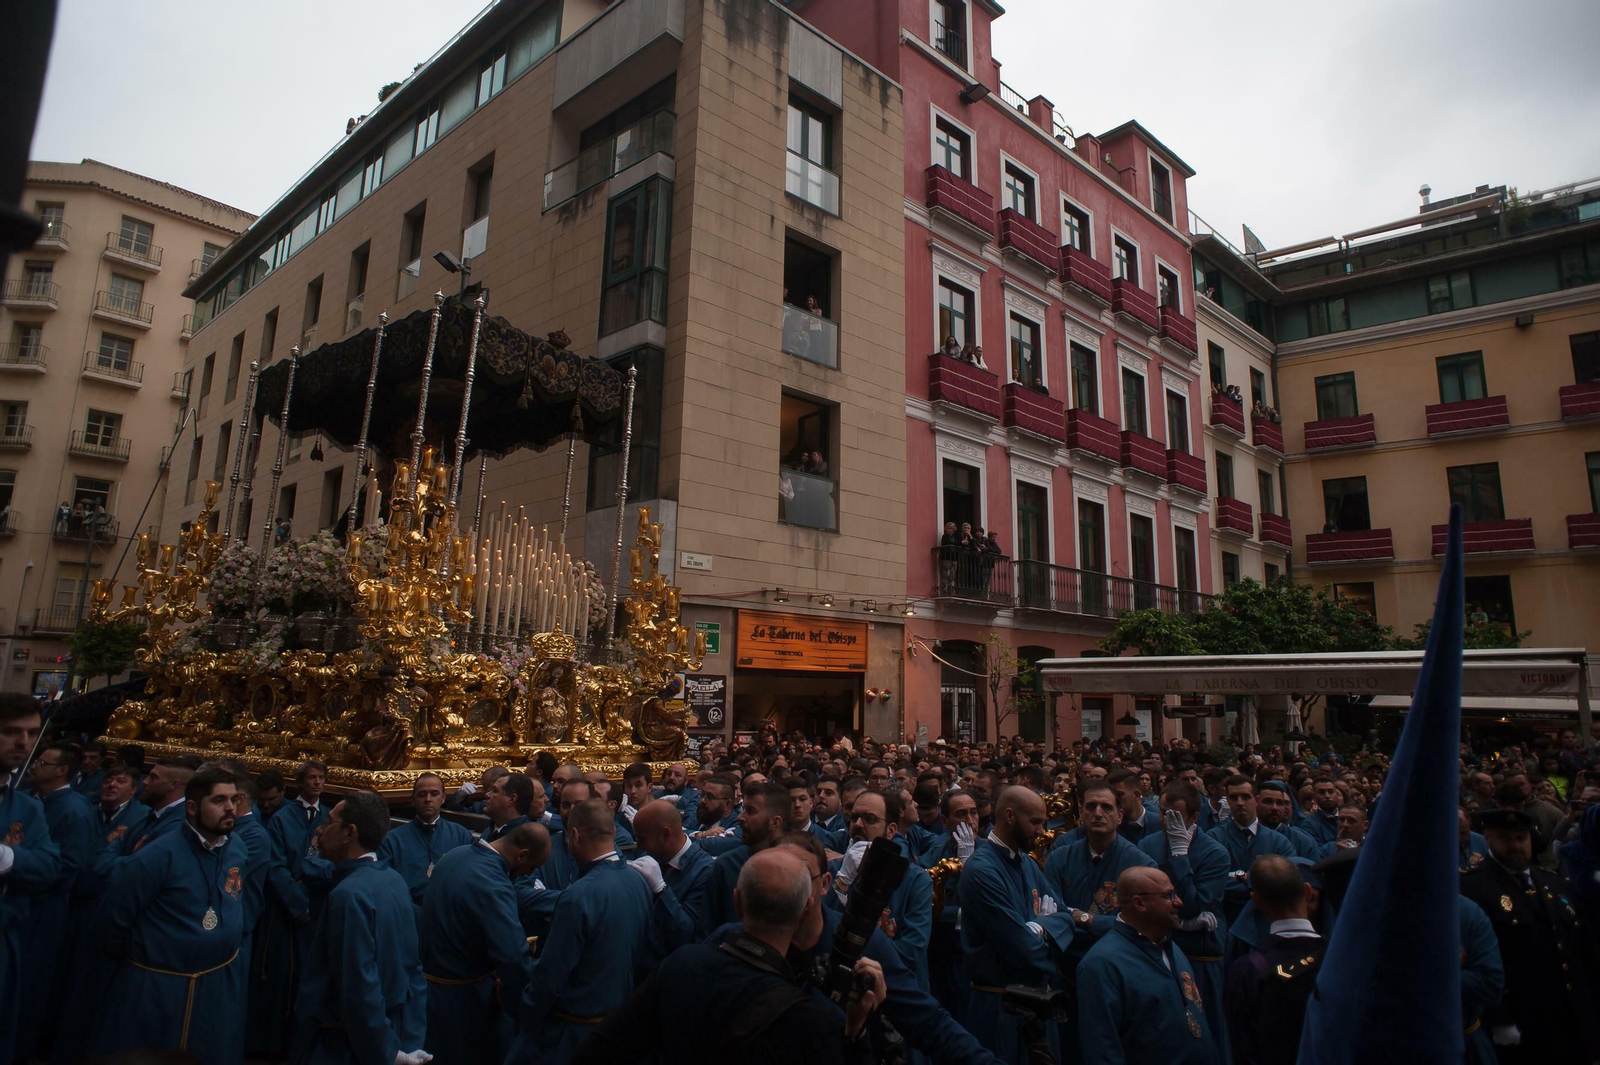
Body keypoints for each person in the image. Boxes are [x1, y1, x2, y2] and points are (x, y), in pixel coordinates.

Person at [570, 847, 884, 1065]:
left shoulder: (680, 966)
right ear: (803, 913)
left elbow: (599, 1052)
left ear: (737, 903)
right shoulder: (810, 1021)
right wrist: (855, 1034)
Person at [777, 831, 1003, 1065]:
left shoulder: (864, 941)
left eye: (801, 876)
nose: (790, 887)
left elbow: (926, 1020)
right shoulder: (745, 942)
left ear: (824, 884)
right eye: (779, 875)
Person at [89, 766, 249, 1064]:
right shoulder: (156, 855)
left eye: (234, 799)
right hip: (158, 988)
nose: (230, 808)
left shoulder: (237, 848)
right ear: (191, 807)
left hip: (215, 984)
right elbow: (113, 919)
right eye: (218, 801)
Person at [507, 798, 662, 1065]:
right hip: (617, 1027)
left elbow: (551, 976)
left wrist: (524, 1012)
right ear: (613, 832)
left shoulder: (578, 897)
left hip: (570, 1035)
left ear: (574, 836)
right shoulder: (638, 881)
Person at [292, 790, 429, 1065]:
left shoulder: (349, 896)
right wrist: (409, 1038)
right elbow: (413, 971)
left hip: (348, 1045)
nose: (320, 829)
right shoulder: (394, 879)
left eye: (329, 822)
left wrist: (386, 1052)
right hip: (396, 1029)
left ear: (348, 832)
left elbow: (358, 987)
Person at [1459, 807, 1600, 1061]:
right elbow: (1479, 960)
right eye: (1505, 838)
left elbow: (1583, 946)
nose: (1516, 846)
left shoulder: (1554, 882)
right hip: (1524, 1017)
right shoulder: (1472, 888)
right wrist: (1500, 1018)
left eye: (1521, 838)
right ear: (1487, 838)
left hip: (1571, 1013)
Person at [419, 821, 549, 1065]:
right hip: (467, 1004)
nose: (530, 875)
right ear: (522, 855)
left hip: (429, 994)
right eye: (532, 868)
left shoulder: (456, 854)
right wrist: (522, 1008)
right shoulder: (492, 881)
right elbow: (512, 957)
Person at [960, 785, 1073, 1064]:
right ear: (1009, 816)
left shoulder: (1027, 863)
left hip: (1037, 1006)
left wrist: (1039, 927)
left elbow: (1066, 916)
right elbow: (1023, 950)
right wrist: (1047, 934)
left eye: (1044, 823)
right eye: (1035, 822)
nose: (1041, 831)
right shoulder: (981, 871)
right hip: (1001, 1008)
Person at [1045, 780, 1155, 1052]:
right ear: (1081, 813)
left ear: (1119, 816)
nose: (1098, 813)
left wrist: (1086, 920)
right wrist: (1101, 923)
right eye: (1091, 806)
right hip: (1067, 973)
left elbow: (1138, 922)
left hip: (1120, 977)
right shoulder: (1059, 858)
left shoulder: (1140, 864)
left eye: (1106, 807)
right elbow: (1051, 912)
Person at [1077, 866, 1218, 1065]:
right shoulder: (1101, 965)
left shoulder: (1172, 949)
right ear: (1139, 903)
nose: (1179, 902)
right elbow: (1102, 1051)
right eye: (1169, 896)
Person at [15, 741, 97, 1059]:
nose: (34, 766)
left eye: (43, 763)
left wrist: (21, 871)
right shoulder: (34, 800)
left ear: (62, 770)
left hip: (43, 907)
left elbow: (67, 867)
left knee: (30, 982)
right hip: (25, 904)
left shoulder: (72, 810)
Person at [1138, 782, 1228, 1058]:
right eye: (1164, 813)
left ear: (1193, 818)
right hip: (1153, 949)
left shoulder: (1214, 853)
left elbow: (1192, 906)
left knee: (1200, 1027)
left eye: (1176, 816)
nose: (1167, 821)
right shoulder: (1147, 843)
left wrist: (1180, 854)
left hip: (1196, 956)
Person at [252, 759, 332, 1058]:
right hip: (287, 909)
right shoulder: (283, 818)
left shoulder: (327, 816)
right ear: (299, 784)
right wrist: (297, 903)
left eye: (321, 777)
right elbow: (275, 865)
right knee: (281, 976)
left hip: (318, 904)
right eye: (311, 778)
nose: (317, 783)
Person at [0, 694, 61, 1065]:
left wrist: (7, 857)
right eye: (10, 732)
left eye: (32, 733)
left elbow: (49, 868)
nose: (24, 743)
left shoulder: (27, 807)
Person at [1222, 855, 1324, 1065]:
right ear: (1307, 892)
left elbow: (1241, 1049)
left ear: (1256, 901)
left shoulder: (1246, 972)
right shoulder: (1338, 958)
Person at [831, 788, 932, 989]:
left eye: (869, 819)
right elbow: (820, 929)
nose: (858, 825)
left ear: (891, 830)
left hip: (898, 988)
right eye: (854, 818)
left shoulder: (915, 879)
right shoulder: (835, 870)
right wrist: (843, 881)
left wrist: (855, 952)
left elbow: (911, 950)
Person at [697, 780, 789, 937]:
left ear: (775, 822)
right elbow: (706, 929)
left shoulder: (797, 865)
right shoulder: (726, 865)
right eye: (743, 809)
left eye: (750, 811)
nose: (740, 817)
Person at [380, 772, 474, 918]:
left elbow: (469, 881)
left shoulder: (461, 835)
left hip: (451, 916)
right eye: (422, 794)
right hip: (408, 916)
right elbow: (388, 888)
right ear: (413, 800)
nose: (428, 799)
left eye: (434, 794)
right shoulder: (392, 840)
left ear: (443, 798)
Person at [1207, 776, 1297, 926]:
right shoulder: (1213, 838)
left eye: (1245, 797)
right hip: (1226, 921)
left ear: (1256, 800)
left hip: (1267, 922)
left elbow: (1287, 882)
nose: (1240, 803)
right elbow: (1211, 883)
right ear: (1228, 801)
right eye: (1234, 797)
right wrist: (1258, 883)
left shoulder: (1278, 841)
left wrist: (1243, 878)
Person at [921, 787, 979, 1017]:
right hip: (939, 951)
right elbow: (922, 898)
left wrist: (970, 863)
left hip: (970, 960)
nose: (970, 821)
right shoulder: (936, 850)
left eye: (973, 813)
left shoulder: (989, 851)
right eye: (961, 814)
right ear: (945, 821)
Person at [630, 797, 712, 948]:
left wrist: (661, 891)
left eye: (642, 839)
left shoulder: (704, 871)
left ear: (665, 835)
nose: (639, 846)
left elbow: (686, 933)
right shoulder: (652, 854)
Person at [1256, 781, 1321, 859]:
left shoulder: (1302, 841)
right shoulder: (1245, 836)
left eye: (1280, 803)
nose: (1275, 808)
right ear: (1256, 802)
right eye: (1268, 802)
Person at [1459, 808, 1490, 873]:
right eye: (1454, 834)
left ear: (1469, 826)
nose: (1459, 838)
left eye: (1463, 833)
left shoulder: (1481, 841)